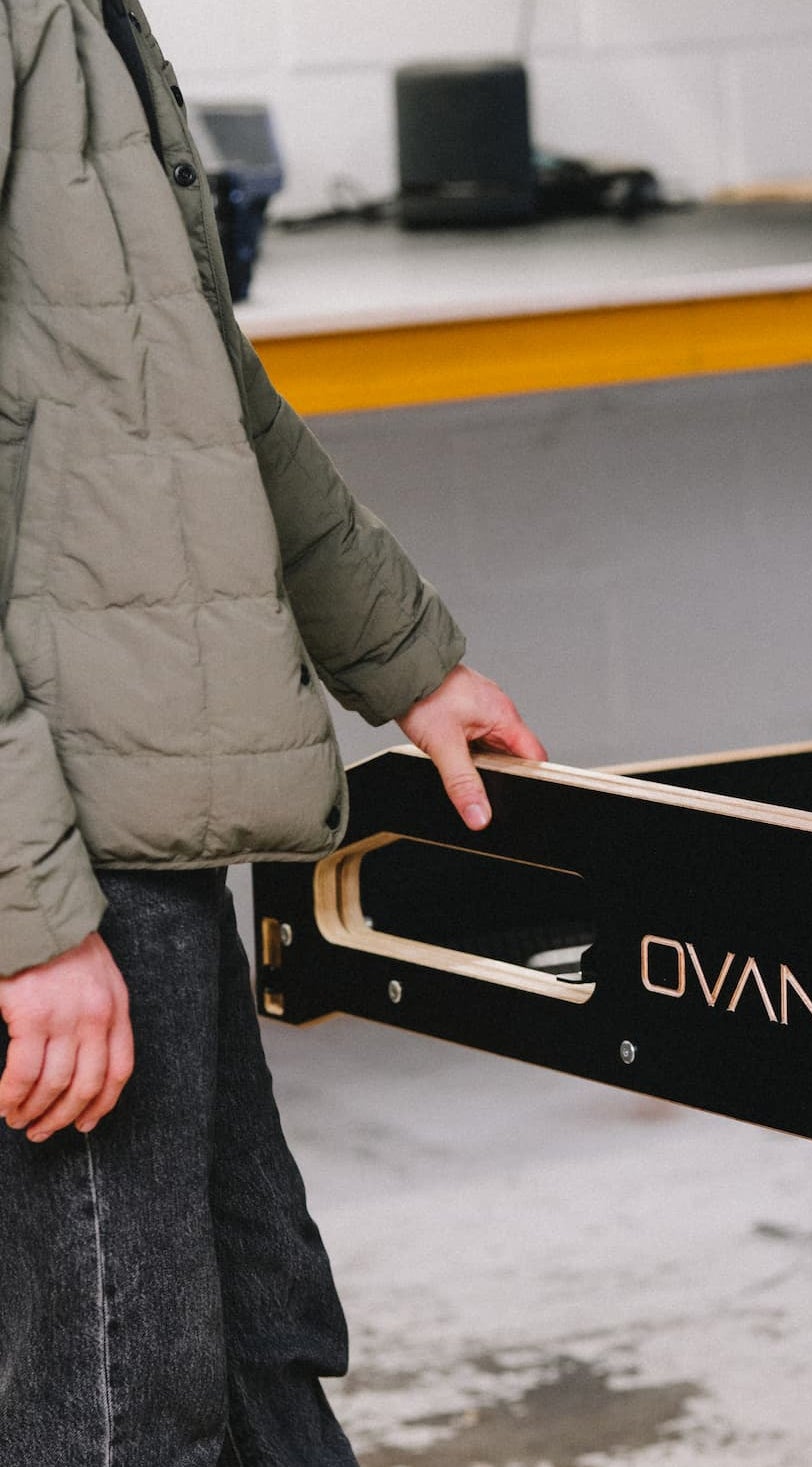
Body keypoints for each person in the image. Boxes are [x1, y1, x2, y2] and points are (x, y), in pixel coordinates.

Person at [0, 1, 546, 1461]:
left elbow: (201, 395)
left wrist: (407, 659)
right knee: (116, 1395)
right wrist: (31, 926)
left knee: (257, 1330)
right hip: (63, 847)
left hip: (143, 818)